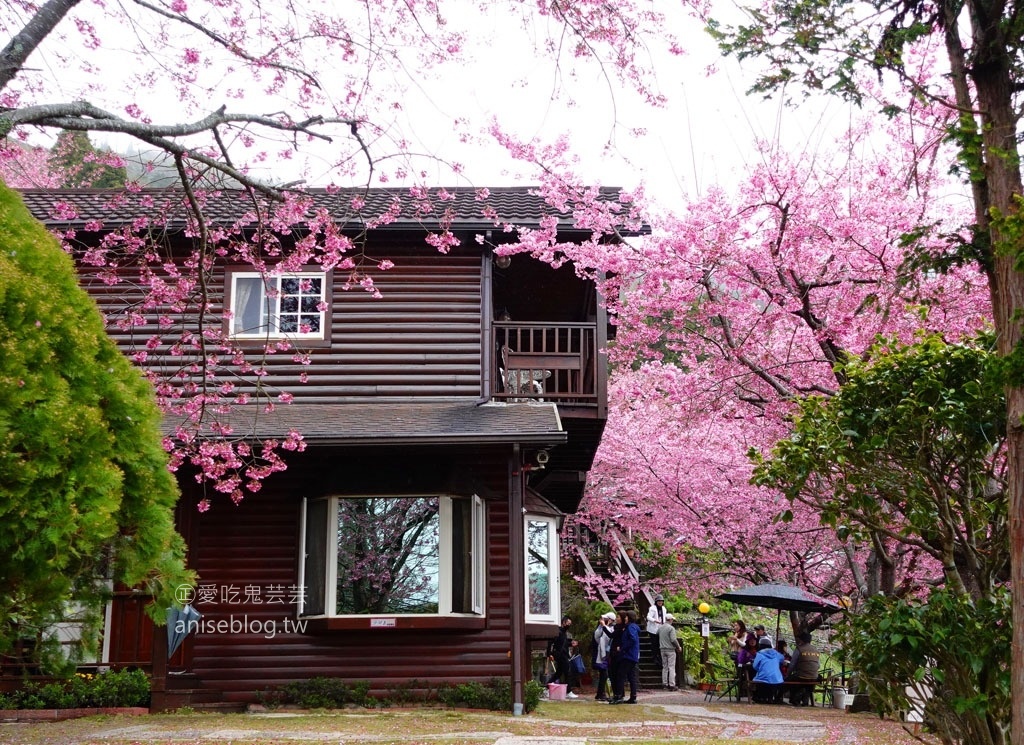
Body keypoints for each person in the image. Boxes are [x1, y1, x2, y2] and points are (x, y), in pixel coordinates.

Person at [546, 615, 580, 698]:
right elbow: (551, 643)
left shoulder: (563, 633)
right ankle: (568, 691)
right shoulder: (557, 632)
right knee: (567, 672)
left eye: (570, 624)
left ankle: (547, 687)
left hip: (563, 654)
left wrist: (570, 644)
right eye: (568, 623)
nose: (569, 625)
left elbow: (563, 644)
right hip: (560, 655)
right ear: (564, 622)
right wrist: (549, 653)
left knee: (558, 673)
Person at [611, 609, 641, 704]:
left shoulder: (631, 628)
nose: (625, 619)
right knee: (631, 676)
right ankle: (633, 696)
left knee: (620, 674)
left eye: (627, 617)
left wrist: (623, 648)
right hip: (632, 655)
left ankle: (619, 696)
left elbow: (632, 640)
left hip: (628, 655)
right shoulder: (633, 627)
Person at [787, 631, 821, 706]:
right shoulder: (816, 650)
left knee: (788, 680)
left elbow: (792, 664)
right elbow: (818, 665)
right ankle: (805, 699)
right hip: (814, 677)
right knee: (807, 684)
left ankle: (794, 699)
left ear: (801, 640)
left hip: (801, 676)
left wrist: (787, 674)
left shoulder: (799, 649)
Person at [751, 636, 785, 703]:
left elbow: (754, 666)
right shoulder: (776, 654)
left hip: (763, 678)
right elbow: (782, 658)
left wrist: (760, 669)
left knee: (759, 679)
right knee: (771, 681)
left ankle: (761, 697)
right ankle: (770, 698)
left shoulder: (760, 654)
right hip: (776, 678)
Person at [592, 611, 615, 700]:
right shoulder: (601, 627)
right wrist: (602, 626)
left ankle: (601, 693)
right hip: (602, 653)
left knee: (605, 674)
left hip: (607, 653)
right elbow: (596, 636)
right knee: (603, 674)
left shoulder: (612, 628)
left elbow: (609, 636)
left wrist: (605, 626)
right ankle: (600, 694)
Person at [657, 613, 682, 690]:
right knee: (671, 667)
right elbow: (673, 639)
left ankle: (664, 684)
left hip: (662, 649)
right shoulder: (671, 628)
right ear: (670, 620)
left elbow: (657, 633)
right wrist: (678, 647)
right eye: (672, 619)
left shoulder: (660, 628)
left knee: (665, 667)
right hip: (670, 650)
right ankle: (672, 684)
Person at [607, 610, 627, 703]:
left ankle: (619, 694)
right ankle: (616, 694)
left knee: (618, 675)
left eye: (618, 617)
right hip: (613, 651)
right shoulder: (617, 627)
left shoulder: (622, 629)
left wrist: (604, 626)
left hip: (618, 653)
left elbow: (611, 635)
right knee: (613, 674)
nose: (617, 619)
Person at [645, 594, 667, 668]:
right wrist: (655, 620)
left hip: (660, 628)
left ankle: (659, 658)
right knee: (654, 644)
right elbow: (648, 617)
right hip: (653, 629)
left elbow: (664, 617)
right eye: (659, 601)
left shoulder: (663, 609)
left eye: (661, 601)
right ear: (656, 602)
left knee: (659, 644)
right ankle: (654, 658)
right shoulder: (652, 608)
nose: (660, 602)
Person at [735, 634, 759, 698]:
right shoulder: (744, 650)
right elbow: (740, 661)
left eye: (754, 640)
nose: (752, 641)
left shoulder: (758, 651)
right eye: (750, 640)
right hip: (745, 670)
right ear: (748, 641)